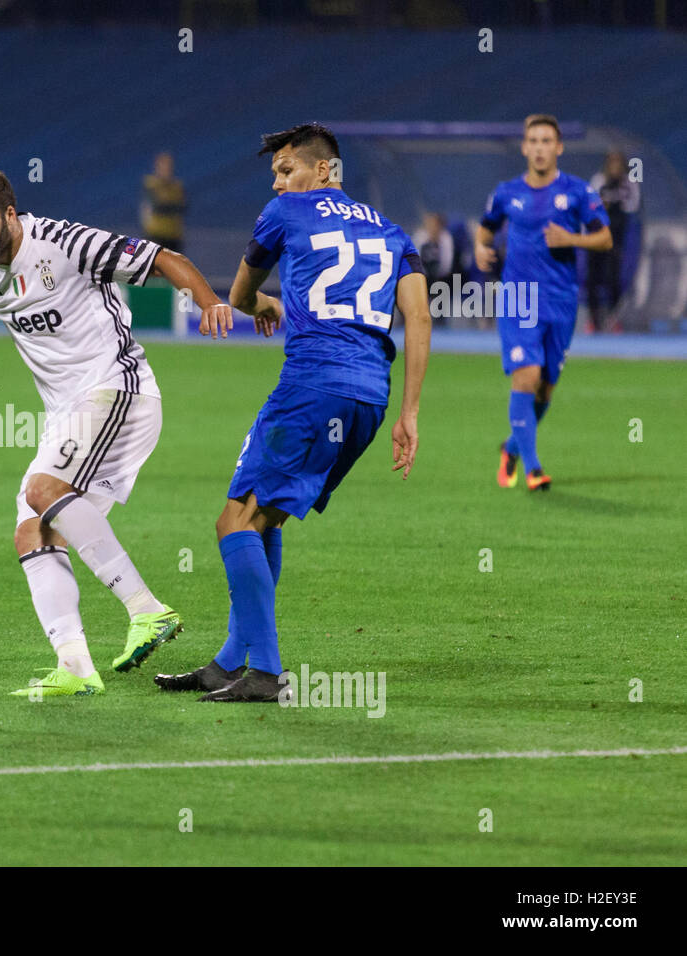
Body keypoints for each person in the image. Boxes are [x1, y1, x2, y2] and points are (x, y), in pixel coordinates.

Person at [0, 166, 231, 695]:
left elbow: (164, 259)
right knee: (32, 529)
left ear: (9, 214)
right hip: (69, 412)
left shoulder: (66, 244)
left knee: (41, 490)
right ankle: (75, 667)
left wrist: (209, 301)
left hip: (117, 390)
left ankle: (148, 611)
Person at [154, 123, 431, 701]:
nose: (279, 182)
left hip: (310, 388)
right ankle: (233, 660)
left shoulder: (283, 216)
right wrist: (410, 414)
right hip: (370, 399)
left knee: (232, 521)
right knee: (266, 518)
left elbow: (238, 297)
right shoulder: (393, 232)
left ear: (325, 170)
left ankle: (266, 672)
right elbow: (419, 320)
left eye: (287, 170)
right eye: (275, 174)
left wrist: (265, 304)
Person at [475, 115, 612, 492]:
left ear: (559, 147)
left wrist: (571, 239)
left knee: (546, 389)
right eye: (533, 140)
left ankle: (512, 448)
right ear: (524, 147)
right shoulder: (506, 193)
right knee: (527, 376)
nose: (539, 147)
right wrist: (479, 247)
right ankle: (534, 470)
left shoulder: (579, 192)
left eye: (546, 140)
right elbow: (485, 228)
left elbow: (605, 239)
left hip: (562, 301)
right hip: (518, 299)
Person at [586, 150, 640, 333]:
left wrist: (615, 204)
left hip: (615, 239)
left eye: (618, 162)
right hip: (596, 236)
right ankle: (593, 320)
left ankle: (613, 318)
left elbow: (633, 206)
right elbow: (590, 204)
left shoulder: (629, 183)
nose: (615, 166)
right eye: (612, 162)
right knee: (593, 278)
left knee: (612, 279)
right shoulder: (599, 180)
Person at [140, 152, 186, 253]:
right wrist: (171, 206)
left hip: (174, 235)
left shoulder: (176, 186)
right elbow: (158, 207)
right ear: (157, 166)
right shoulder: (151, 183)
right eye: (163, 165)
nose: (166, 169)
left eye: (169, 166)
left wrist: (168, 205)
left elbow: (183, 207)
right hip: (156, 235)